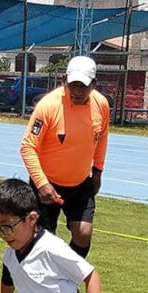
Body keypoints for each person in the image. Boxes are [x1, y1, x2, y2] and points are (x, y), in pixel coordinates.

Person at [19, 56, 110, 262]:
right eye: (73, 85)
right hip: (47, 184)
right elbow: (27, 146)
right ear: (64, 81)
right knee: (43, 239)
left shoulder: (101, 105)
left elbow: (102, 137)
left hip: (81, 184)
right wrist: (42, 183)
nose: (77, 91)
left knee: (84, 232)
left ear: (94, 85)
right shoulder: (48, 106)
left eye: (83, 86)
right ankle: (42, 285)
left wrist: (98, 171)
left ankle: (67, 277)